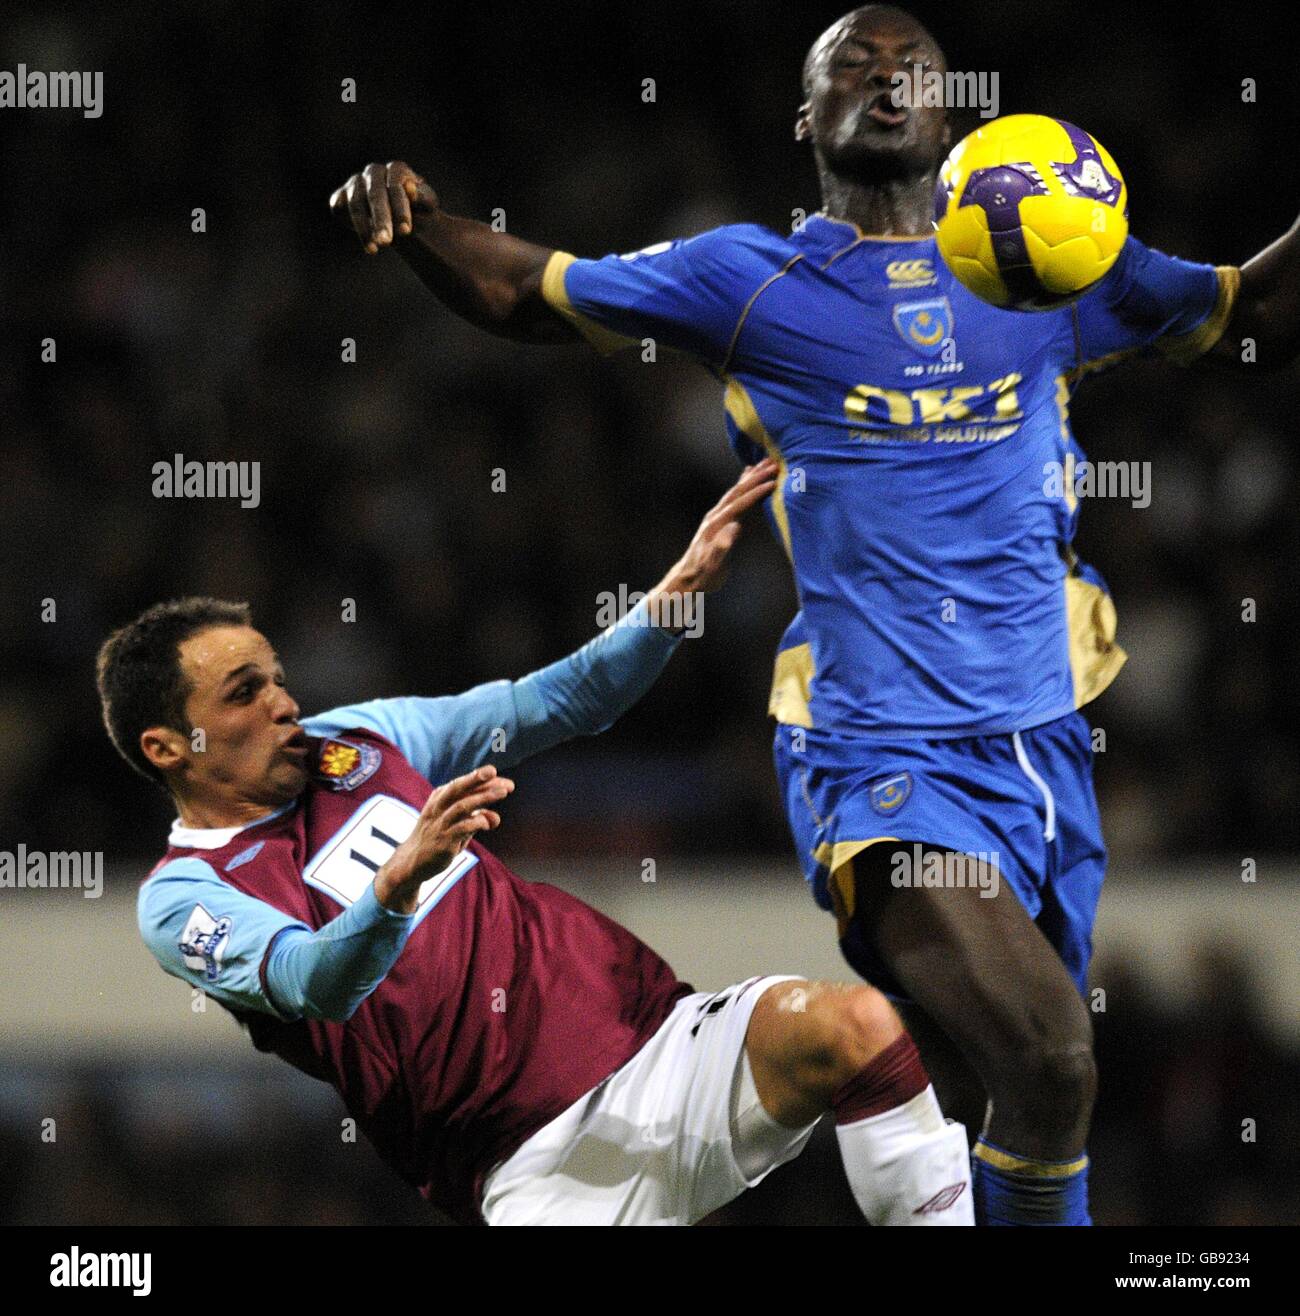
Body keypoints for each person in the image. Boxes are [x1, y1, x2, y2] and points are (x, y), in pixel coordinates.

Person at [328, 3, 1299, 1226]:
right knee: (1052, 1058)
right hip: (875, 748)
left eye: (914, 68)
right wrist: (420, 219)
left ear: (955, 112)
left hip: (1044, 746)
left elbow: (1252, 315)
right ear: (807, 115)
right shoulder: (746, 279)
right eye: (854, 64)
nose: (887, 80)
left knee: (1007, 1091)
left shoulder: (1049, 261)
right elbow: (531, 292)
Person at [100, 464, 972, 1226]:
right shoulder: (183, 899)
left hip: (657, 1042)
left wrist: (665, 607)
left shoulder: (361, 741)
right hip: (528, 1166)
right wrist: (400, 881)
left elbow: (549, 704)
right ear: (169, 747)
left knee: (857, 1025)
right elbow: (312, 984)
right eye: (244, 694)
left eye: (279, 679)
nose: (284, 704)